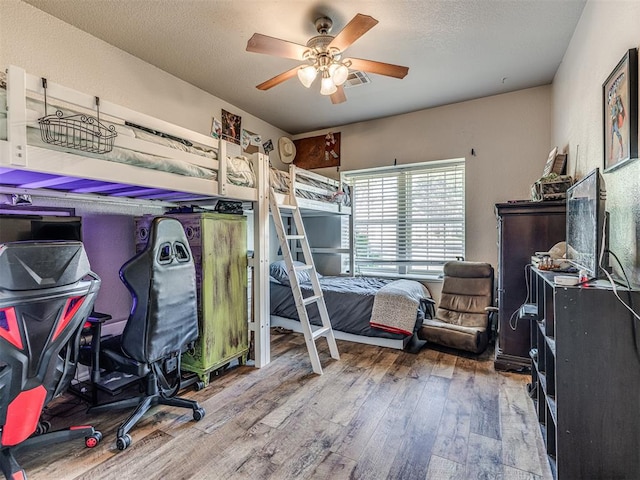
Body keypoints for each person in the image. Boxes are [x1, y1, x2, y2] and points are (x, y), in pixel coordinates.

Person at [610, 91, 625, 161]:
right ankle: (611, 154)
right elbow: (612, 114)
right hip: (613, 122)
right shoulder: (613, 106)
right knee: (612, 137)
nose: (614, 98)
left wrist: (615, 116)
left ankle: (621, 150)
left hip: (615, 121)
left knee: (618, 134)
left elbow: (620, 109)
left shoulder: (617, 105)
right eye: (613, 97)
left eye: (615, 97)